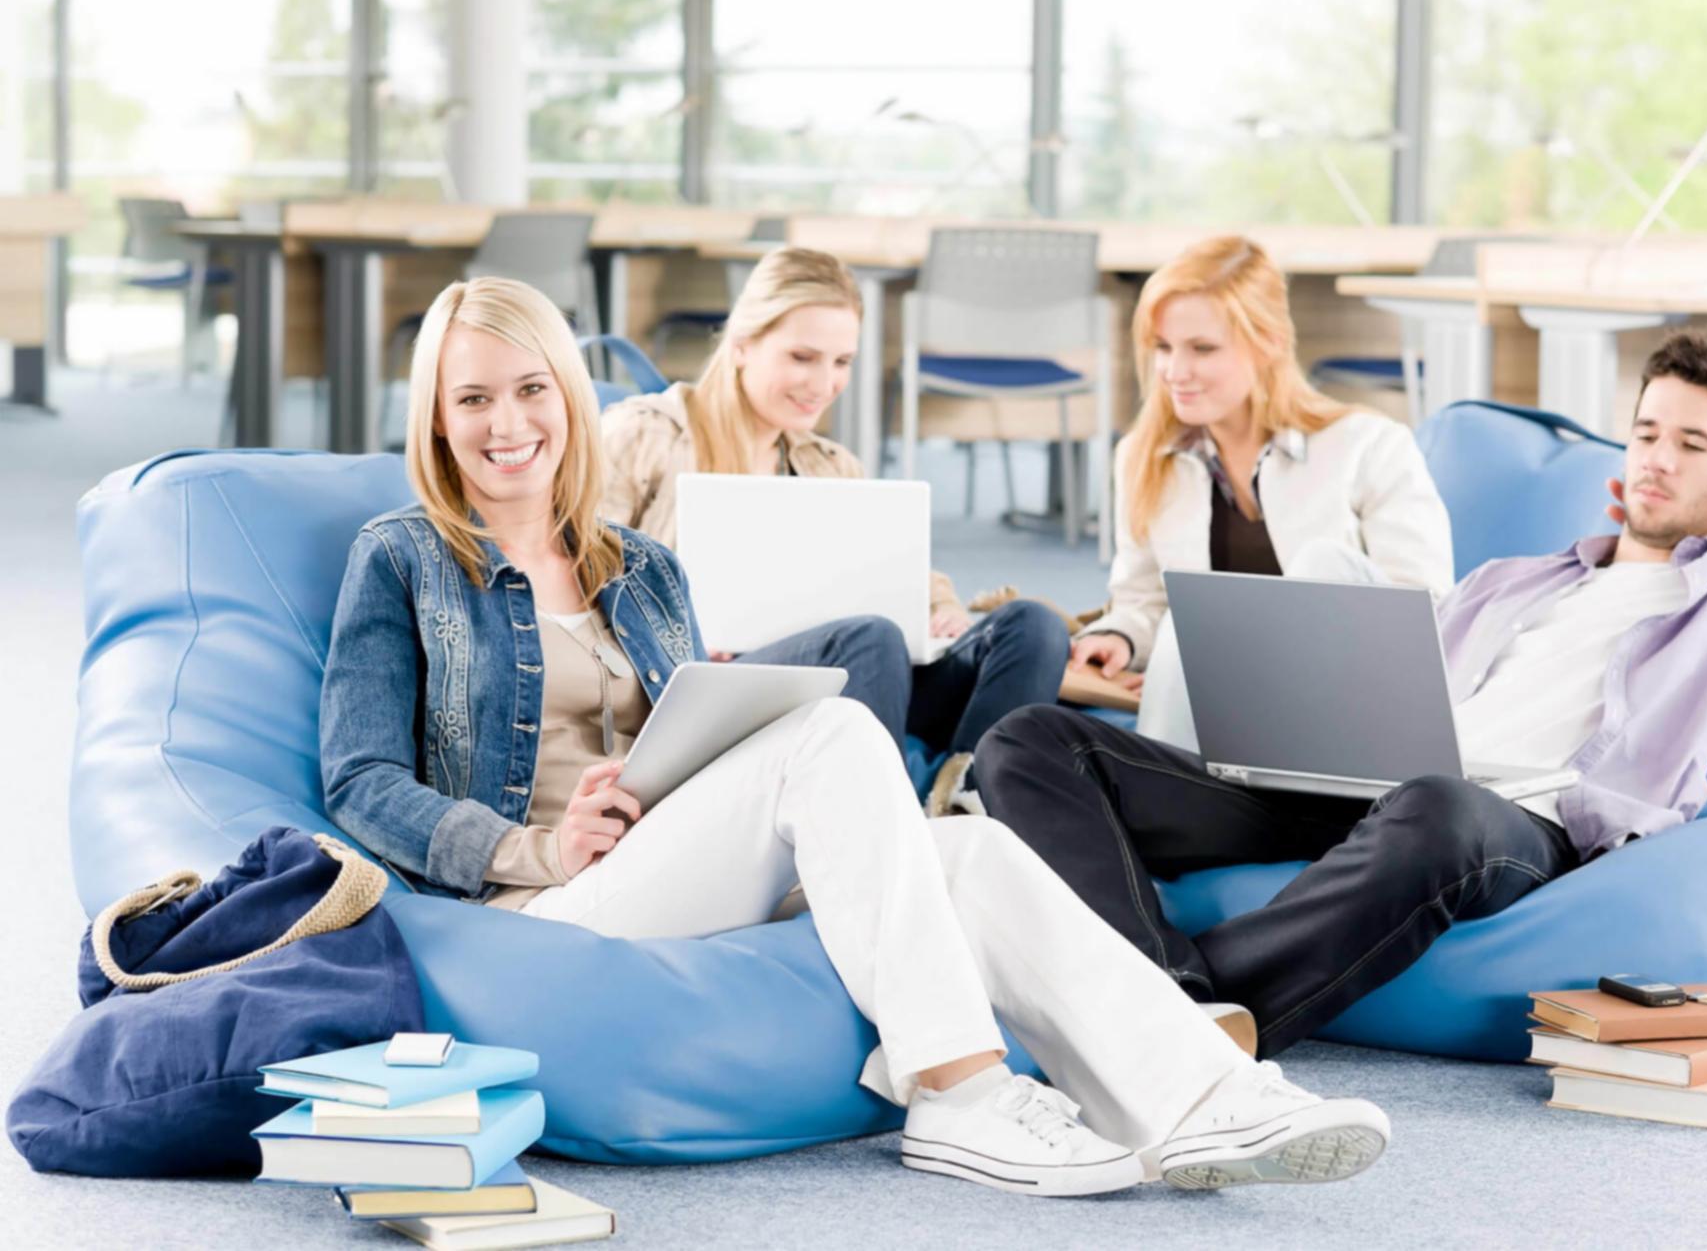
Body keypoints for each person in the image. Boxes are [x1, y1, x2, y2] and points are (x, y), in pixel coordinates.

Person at [318, 275, 1392, 1196]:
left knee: (966, 850)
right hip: (537, 910)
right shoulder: (404, 558)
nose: (507, 424)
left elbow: (685, 745)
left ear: (566, 395)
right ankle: (957, 1091)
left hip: (664, 866)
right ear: (437, 418)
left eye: (529, 390)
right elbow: (358, 781)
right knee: (834, 732)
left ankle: (1203, 1097)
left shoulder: (640, 569)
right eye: (473, 399)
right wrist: (537, 849)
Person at [977, 330, 1707, 1057]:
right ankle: (1169, 993)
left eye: (1692, 444)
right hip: (1358, 787)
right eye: (1646, 433)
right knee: (1032, 740)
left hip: (1504, 826)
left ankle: (1147, 1026)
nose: (1655, 459)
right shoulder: (1513, 578)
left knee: (1439, 807)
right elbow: (1391, 688)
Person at [598, 247, 1067, 812]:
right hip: (715, 687)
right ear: (742, 344)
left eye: (841, 362)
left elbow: (900, 570)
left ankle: (964, 798)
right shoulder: (645, 435)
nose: (824, 383)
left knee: (1032, 625)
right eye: (803, 357)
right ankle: (884, 824)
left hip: (857, 671)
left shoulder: (829, 463)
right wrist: (682, 642)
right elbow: (580, 577)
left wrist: (939, 605)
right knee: (872, 638)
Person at [1071, 235, 1452, 749]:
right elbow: (1145, 599)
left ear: (1269, 343)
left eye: (1202, 348)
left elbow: (1424, 613)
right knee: (1190, 623)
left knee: (1321, 565)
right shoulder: (1143, 456)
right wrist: (1118, 637)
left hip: (1345, 702)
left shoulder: (1370, 445)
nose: (1174, 372)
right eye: (1163, 347)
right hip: (1221, 713)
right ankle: (1164, 793)